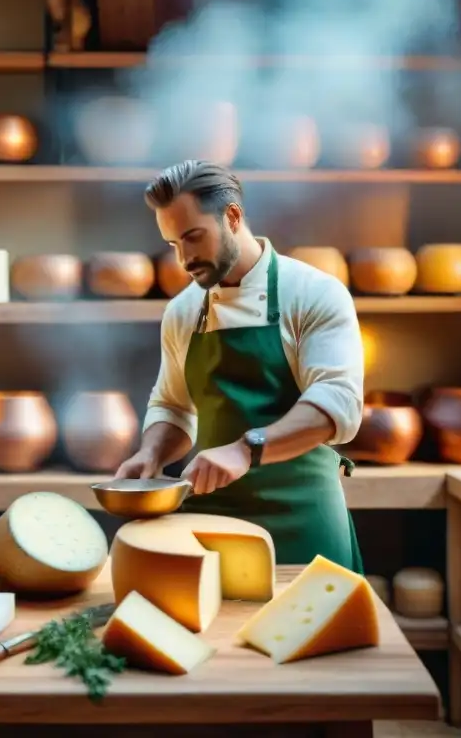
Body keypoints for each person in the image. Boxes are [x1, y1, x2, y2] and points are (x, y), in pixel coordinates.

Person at [113, 159, 365, 572]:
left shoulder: (314, 294)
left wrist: (248, 449)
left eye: (193, 237)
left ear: (232, 217)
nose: (184, 259)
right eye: (173, 244)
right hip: (212, 517)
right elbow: (173, 406)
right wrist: (151, 454)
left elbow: (338, 405)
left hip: (305, 515)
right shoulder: (182, 311)